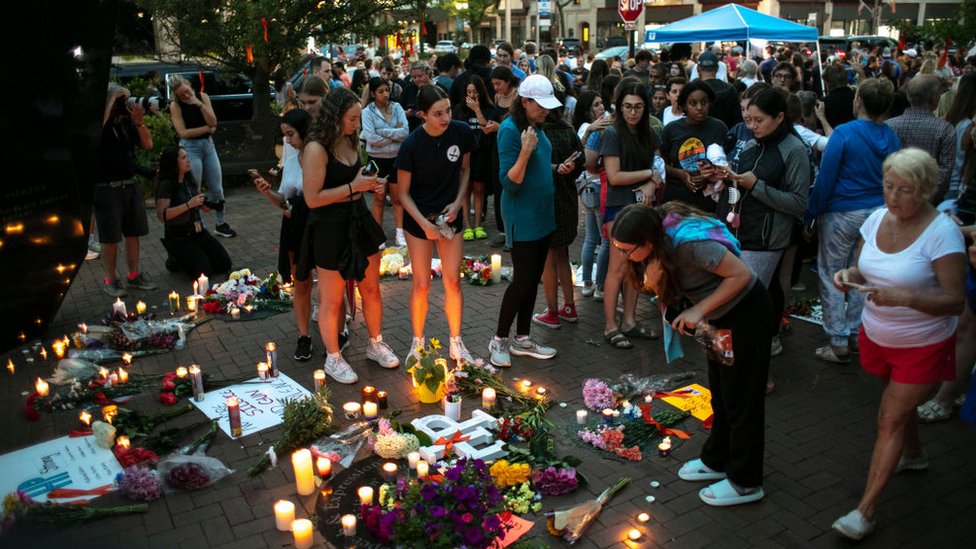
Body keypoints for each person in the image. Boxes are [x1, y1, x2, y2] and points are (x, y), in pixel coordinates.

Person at [830, 149, 966, 540]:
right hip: (876, 334)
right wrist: (846, 274)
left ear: (924, 191)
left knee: (889, 417)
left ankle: (866, 511)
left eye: (904, 190)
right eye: (888, 186)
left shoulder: (943, 234)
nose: (893, 197)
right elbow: (861, 267)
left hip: (921, 343)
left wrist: (905, 298)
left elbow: (955, 301)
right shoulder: (875, 218)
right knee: (895, 404)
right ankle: (914, 455)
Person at [612, 203, 772, 507]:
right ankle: (717, 459)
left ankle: (746, 482)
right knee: (722, 396)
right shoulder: (659, 245)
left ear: (647, 241)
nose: (623, 256)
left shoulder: (690, 245)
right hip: (718, 324)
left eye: (627, 250)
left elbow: (742, 275)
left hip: (746, 317)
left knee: (743, 400)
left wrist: (699, 309)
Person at [301, 87, 400, 384]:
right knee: (331, 298)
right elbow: (311, 199)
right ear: (335, 117)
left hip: (358, 219)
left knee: (371, 288)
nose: (356, 125)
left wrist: (371, 185)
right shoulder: (316, 148)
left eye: (357, 119)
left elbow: (356, 180)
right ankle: (333, 357)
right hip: (330, 226)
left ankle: (375, 343)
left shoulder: (351, 140)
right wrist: (353, 188)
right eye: (352, 119)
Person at [805, 78, 900, 363]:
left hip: (842, 212)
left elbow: (825, 178)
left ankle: (838, 340)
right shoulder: (891, 136)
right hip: (876, 213)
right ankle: (856, 333)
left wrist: (811, 212)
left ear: (858, 100)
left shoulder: (845, 134)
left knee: (832, 272)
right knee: (862, 273)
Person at [489, 75, 568, 367]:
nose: (546, 110)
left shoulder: (536, 125)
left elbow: (537, 162)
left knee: (533, 278)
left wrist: (556, 167)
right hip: (522, 216)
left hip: (543, 213)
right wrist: (524, 152)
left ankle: (523, 338)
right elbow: (509, 183)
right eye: (540, 105)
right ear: (525, 101)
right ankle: (499, 339)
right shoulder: (509, 130)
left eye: (549, 105)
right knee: (522, 280)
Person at [396, 85, 477, 365]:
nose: (445, 118)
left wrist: (457, 203)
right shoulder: (411, 146)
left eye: (448, 111)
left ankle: (456, 341)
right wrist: (424, 223)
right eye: (438, 114)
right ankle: (417, 342)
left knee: (453, 281)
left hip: (449, 217)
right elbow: (402, 194)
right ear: (422, 115)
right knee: (421, 282)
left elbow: (465, 170)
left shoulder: (462, 133)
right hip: (418, 218)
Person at [600, 81, 664, 349]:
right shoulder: (613, 133)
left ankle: (629, 321)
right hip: (618, 207)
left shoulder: (650, 133)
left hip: (642, 209)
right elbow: (614, 177)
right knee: (617, 268)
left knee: (635, 268)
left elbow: (659, 166)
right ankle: (610, 326)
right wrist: (649, 175)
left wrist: (652, 181)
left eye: (638, 107)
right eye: (627, 106)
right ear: (619, 106)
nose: (633, 112)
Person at [252, 109, 315, 360]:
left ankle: (340, 329)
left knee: (332, 282)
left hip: (319, 226)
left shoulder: (321, 157)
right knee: (301, 283)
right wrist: (267, 192)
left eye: (291, 135)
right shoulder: (290, 163)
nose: (288, 141)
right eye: (285, 136)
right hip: (295, 227)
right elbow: (284, 201)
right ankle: (303, 336)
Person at [96, 84, 158, 297]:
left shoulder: (128, 123)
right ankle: (111, 278)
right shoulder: (101, 123)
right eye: (122, 100)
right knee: (110, 238)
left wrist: (139, 121)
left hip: (130, 185)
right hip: (106, 189)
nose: (126, 104)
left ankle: (134, 275)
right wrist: (111, 100)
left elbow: (148, 145)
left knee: (133, 233)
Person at [533, 102, 585, 328]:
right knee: (562, 254)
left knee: (548, 258)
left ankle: (552, 311)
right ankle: (570, 307)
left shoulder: (539, 132)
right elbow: (582, 161)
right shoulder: (568, 130)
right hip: (568, 199)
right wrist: (571, 167)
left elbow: (535, 166)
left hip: (546, 199)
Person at [167, 75, 235, 238]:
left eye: (187, 91)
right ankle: (199, 224)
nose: (185, 96)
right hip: (190, 148)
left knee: (216, 187)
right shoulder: (176, 106)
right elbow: (183, 132)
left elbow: (213, 121)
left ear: (189, 85)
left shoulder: (203, 97)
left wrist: (199, 105)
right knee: (195, 188)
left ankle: (220, 223)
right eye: (181, 94)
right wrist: (206, 128)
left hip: (208, 146)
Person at [155, 144, 231, 277]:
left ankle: (196, 255)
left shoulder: (188, 178)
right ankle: (175, 259)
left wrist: (204, 205)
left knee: (224, 265)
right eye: (184, 158)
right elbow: (162, 215)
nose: (188, 160)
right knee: (204, 273)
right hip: (180, 237)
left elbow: (195, 199)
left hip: (198, 232)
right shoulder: (166, 184)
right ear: (174, 162)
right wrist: (189, 205)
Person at [885, 75, 957, 204]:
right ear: (934, 100)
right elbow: (945, 171)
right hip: (929, 203)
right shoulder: (945, 129)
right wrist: (926, 197)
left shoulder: (888, 126)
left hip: (893, 198)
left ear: (908, 96)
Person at [660, 80, 728, 213]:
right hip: (676, 203)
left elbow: (727, 165)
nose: (699, 107)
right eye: (693, 103)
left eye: (704, 102)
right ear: (684, 106)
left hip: (709, 205)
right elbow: (661, 163)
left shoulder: (719, 128)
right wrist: (680, 174)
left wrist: (708, 176)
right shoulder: (672, 129)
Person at [361, 77, 409, 247]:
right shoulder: (367, 112)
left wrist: (383, 132)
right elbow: (371, 138)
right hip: (376, 160)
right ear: (373, 93)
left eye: (387, 90)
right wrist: (393, 135)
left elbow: (405, 132)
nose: (385, 94)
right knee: (379, 198)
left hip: (396, 159)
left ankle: (400, 232)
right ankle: (377, 234)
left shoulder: (397, 107)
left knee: (397, 197)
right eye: (381, 91)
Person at [573, 90, 612, 299]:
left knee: (591, 238)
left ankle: (588, 281)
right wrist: (591, 129)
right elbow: (582, 157)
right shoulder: (589, 129)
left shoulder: (591, 127)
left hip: (587, 187)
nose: (602, 108)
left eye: (602, 103)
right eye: (596, 105)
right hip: (595, 186)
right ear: (587, 109)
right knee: (603, 240)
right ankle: (599, 285)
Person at [453, 75, 501, 241]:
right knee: (466, 190)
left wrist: (477, 110)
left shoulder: (489, 108)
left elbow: (487, 128)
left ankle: (478, 223)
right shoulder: (459, 109)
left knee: (479, 189)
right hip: (465, 154)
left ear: (481, 92)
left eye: (475, 91)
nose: (472, 95)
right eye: (469, 92)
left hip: (482, 153)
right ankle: (467, 225)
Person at [695, 52, 742, 129]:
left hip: (697, 137)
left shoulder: (692, 90)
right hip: (724, 136)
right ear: (717, 69)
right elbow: (737, 120)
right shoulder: (729, 90)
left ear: (698, 69)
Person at [399, 61, 433, 132]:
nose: (417, 79)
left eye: (420, 76)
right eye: (414, 77)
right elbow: (398, 111)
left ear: (428, 74)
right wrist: (408, 113)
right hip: (413, 130)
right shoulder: (408, 89)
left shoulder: (438, 88)